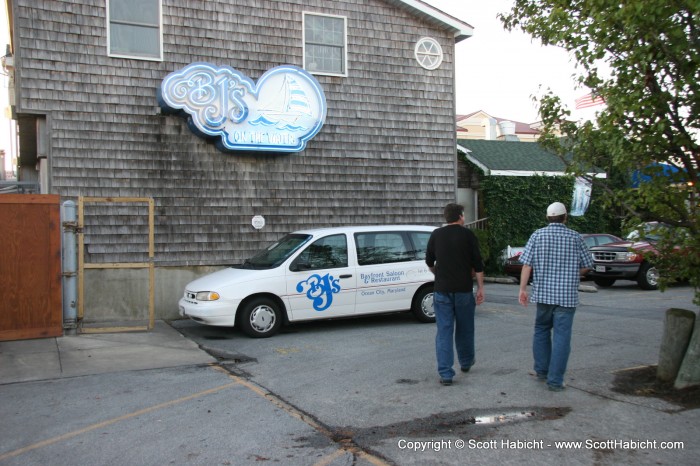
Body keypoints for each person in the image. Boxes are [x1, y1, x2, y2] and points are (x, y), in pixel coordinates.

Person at [518, 202, 593, 391]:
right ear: (565, 217)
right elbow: (587, 265)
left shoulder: (538, 235)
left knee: (541, 330)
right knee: (561, 337)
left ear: (547, 217)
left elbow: (526, 265)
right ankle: (555, 380)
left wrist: (522, 289)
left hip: (543, 295)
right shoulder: (575, 237)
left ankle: (542, 371)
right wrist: (572, 274)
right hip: (566, 297)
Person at [426, 203, 485, 386]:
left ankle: (446, 373)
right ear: (460, 216)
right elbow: (478, 264)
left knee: (444, 331)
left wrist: (439, 274)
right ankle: (466, 362)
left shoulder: (436, 235)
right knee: (465, 328)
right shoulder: (468, 235)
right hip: (463, 290)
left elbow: (429, 261)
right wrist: (481, 288)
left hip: (442, 291)